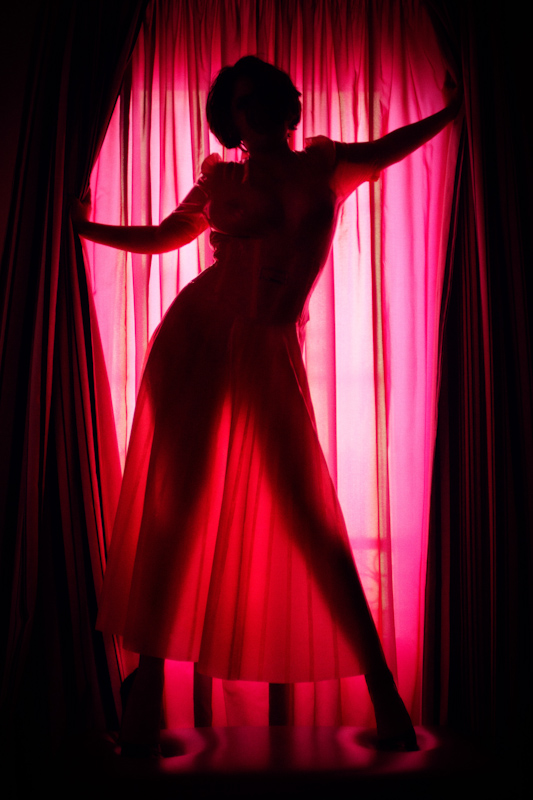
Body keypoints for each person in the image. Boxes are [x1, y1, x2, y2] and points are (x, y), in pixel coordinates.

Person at [72, 56, 462, 757]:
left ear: (286, 105)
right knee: (175, 510)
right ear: (230, 120)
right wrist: (83, 230)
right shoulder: (223, 181)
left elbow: (396, 143)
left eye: (261, 99)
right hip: (195, 340)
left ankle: (383, 693)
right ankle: (145, 699)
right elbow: (161, 238)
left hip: (268, 346)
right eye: (238, 105)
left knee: (310, 515)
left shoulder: (328, 167)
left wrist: (455, 111)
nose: (250, 114)